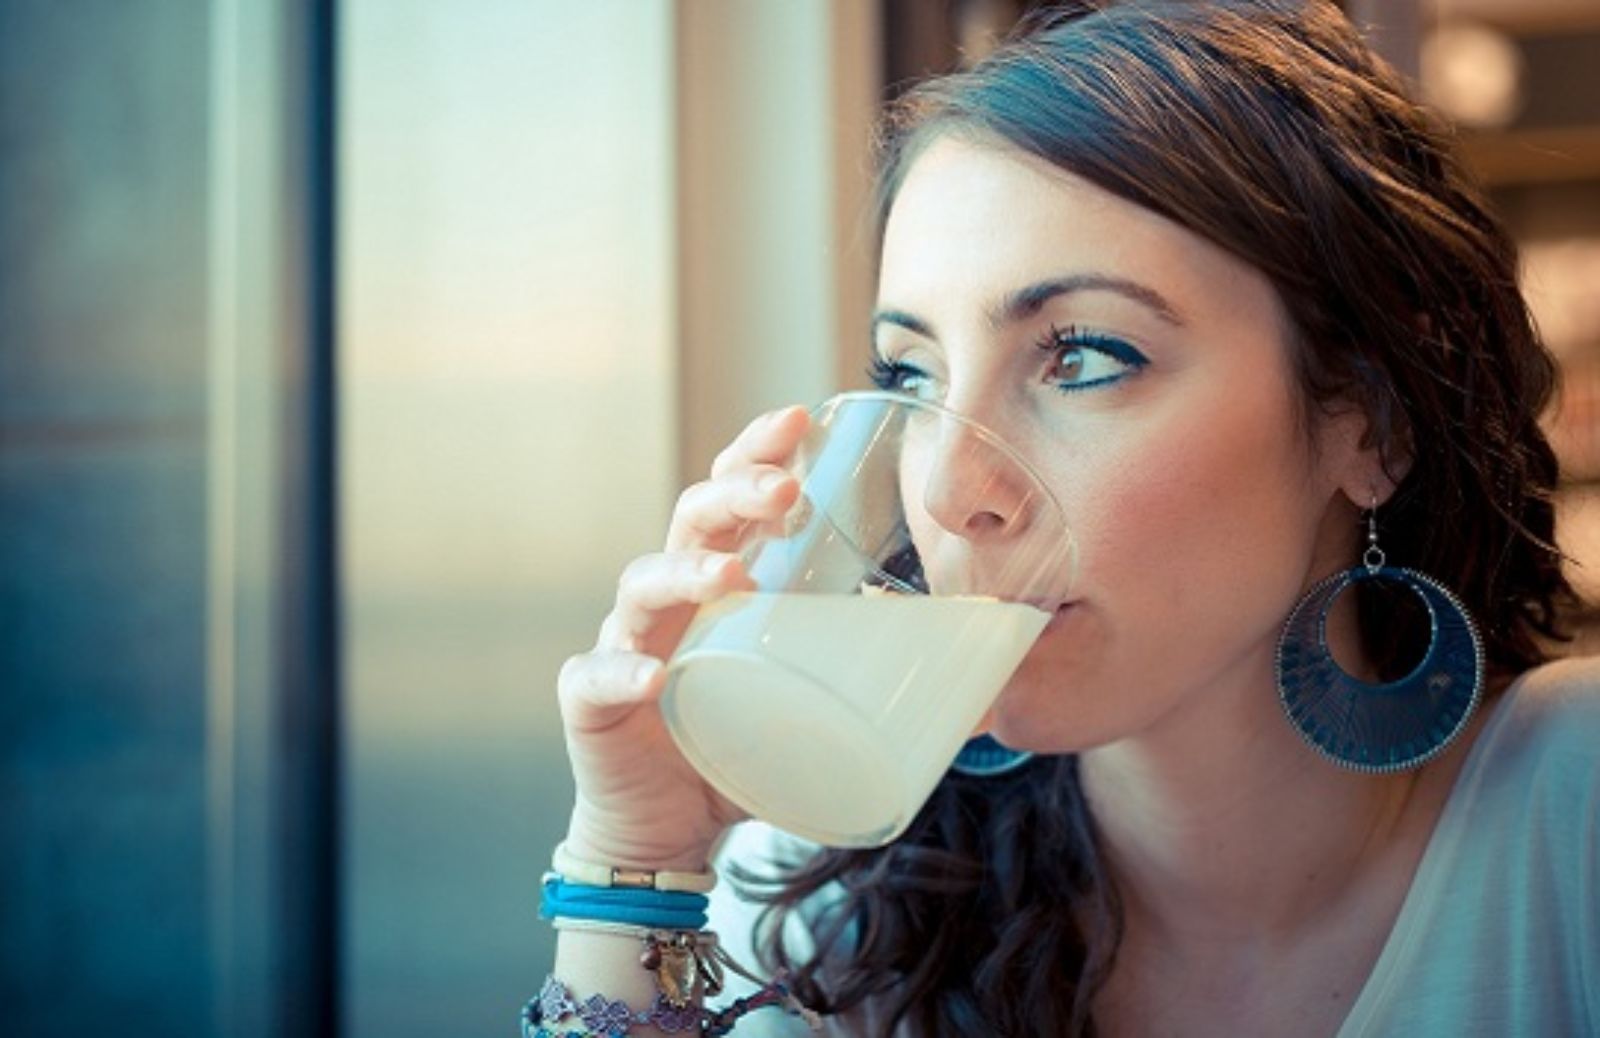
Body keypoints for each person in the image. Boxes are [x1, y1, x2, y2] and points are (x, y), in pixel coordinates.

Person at [538, 2, 1600, 1035]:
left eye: (1083, 357)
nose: (950, 487)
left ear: (1372, 425)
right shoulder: (829, 898)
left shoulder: (1570, 811)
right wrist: (633, 860)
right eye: (911, 374)